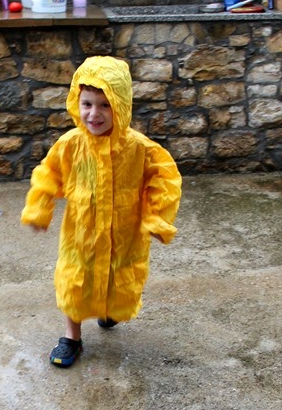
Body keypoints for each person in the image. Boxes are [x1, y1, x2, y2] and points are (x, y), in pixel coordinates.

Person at [21, 56, 182, 368]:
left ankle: (108, 309)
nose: (94, 114)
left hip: (123, 235)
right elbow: (47, 174)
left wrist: (156, 216)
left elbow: (165, 179)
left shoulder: (139, 148)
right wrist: (39, 207)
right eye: (87, 104)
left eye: (105, 105)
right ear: (76, 102)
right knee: (75, 281)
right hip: (81, 235)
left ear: (120, 105)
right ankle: (71, 337)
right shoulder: (70, 145)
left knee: (116, 278)